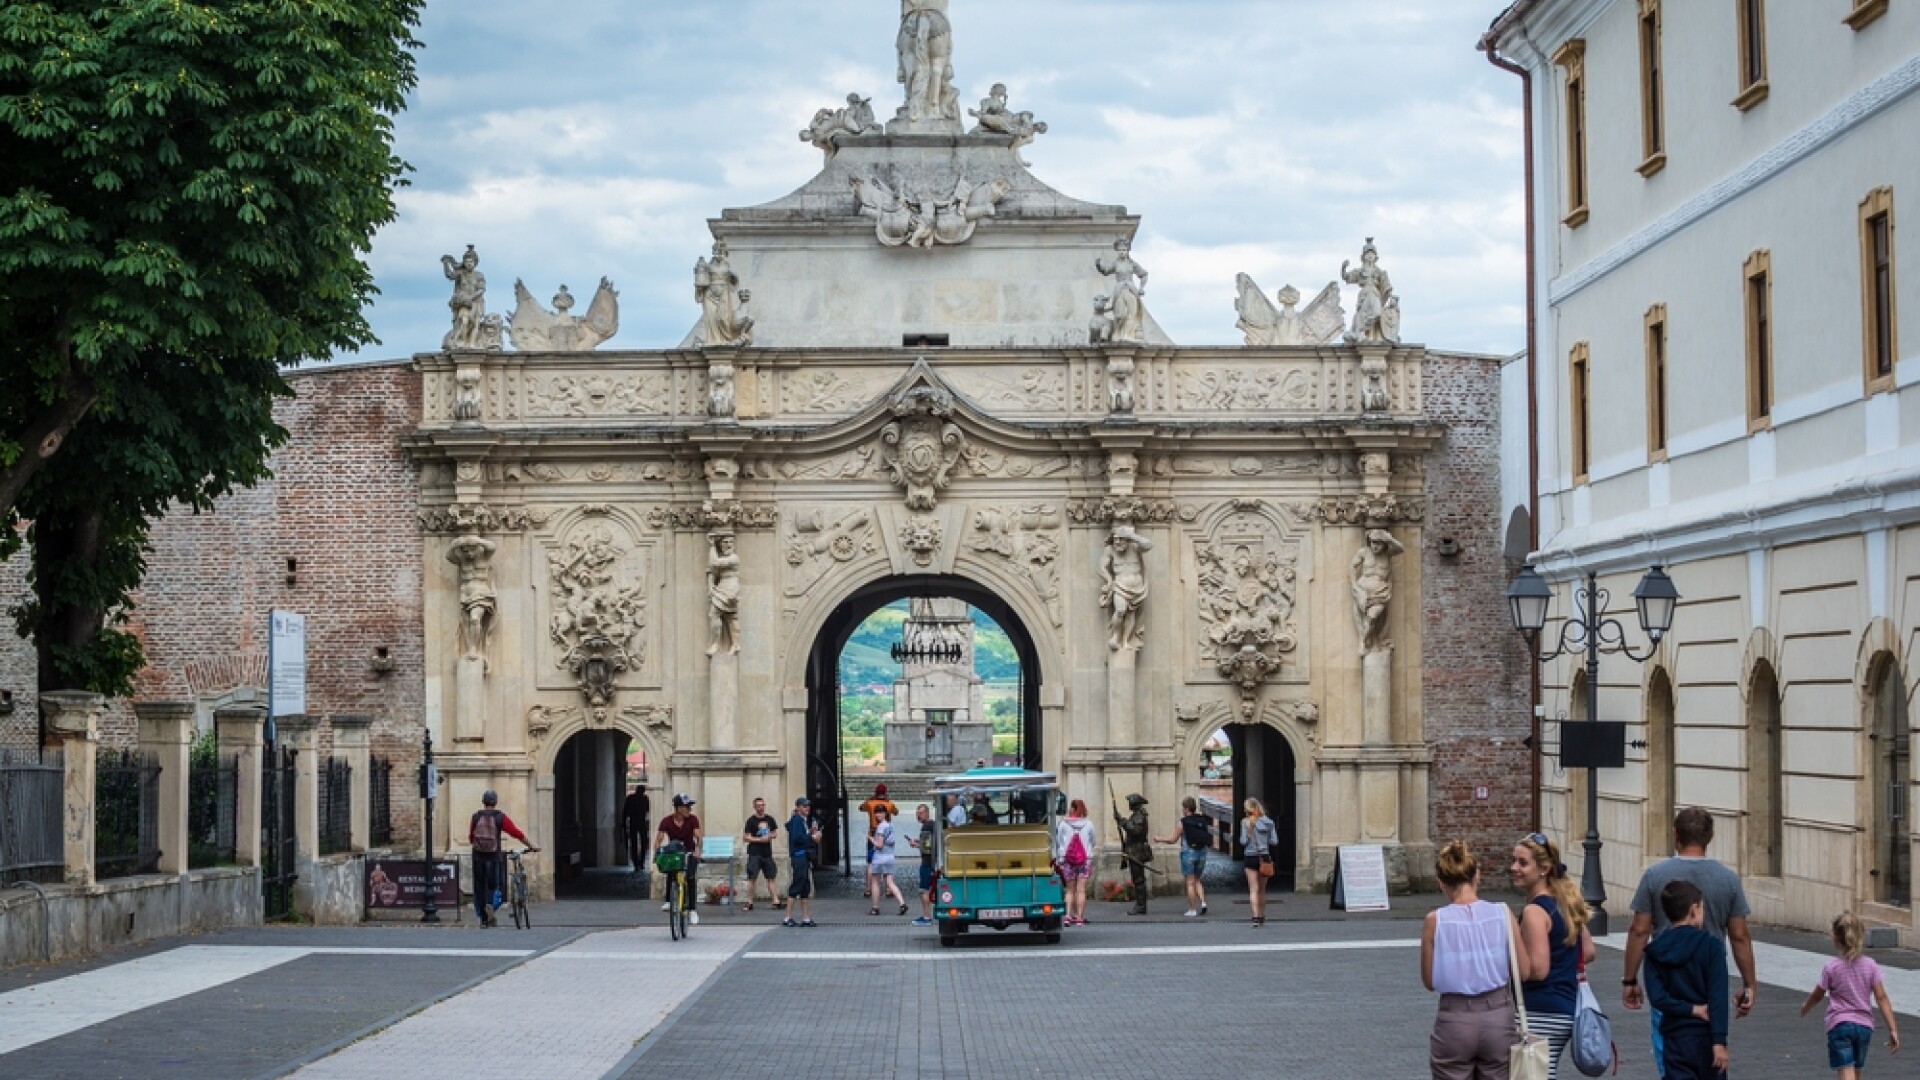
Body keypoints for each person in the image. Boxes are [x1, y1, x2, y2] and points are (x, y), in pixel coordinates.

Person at [1621, 806, 1756, 1073]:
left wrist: (1630, 979)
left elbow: (1639, 930)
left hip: (1670, 979)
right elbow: (1739, 935)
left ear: (1675, 834)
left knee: (1671, 1060)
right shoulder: (1728, 879)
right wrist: (1749, 984)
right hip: (1709, 979)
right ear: (1711, 836)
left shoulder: (1654, 875)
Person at [1421, 840, 1521, 1080]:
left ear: (1441, 883)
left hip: (1454, 1016)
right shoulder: (1503, 912)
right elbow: (1523, 970)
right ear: (1477, 874)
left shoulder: (1435, 920)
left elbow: (1428, 980)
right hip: (1497, 1013)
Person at [1511, 832, 1595, 1079]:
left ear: (1544, 869)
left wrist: (1509, 959)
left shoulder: (1535, 911)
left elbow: (1538, 969)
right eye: (1514, 860)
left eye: (1522, 863)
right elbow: (1588, 951)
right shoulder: (1565, 904)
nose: (1514, 868)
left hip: (1538, 1010)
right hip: (1565, 1008)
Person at [1644, 880, 1730, 1080]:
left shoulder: (1655, 951)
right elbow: (1718, 996)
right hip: (1706, 1036)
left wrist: (1689, 1009)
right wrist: (1719, 1041)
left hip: (1674, 1036)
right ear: (1694, 909)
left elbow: (1658, 998)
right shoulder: (1711, 946)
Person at [1801, 911, 1901, 1079]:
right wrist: (1893, 1029)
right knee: (1856, 1071)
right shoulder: (1870, 966)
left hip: (1840, 1025)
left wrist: (1805, 1007)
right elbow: (1881, 997)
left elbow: (1818, 994)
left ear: (1836, 939)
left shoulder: (1832, 967)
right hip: (1864, 1027)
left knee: (1846, 1070)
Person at [469, 790, 537, 928]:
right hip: (494, 857)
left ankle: (483, 919)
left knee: (479, 887)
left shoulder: (476, 817)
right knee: (495, 885)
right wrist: (531, 845)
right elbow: (515, 832)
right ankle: (491, 906)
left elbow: (471, 837)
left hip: (478, 856)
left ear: (483, 802)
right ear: (495, 802)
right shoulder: (500, 817)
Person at [1158, 796, 1211, 918]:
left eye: (1183, 807)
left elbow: (1173, 840)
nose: (1182, 810)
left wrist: (1160, 839)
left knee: (1190, 882)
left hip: (1189, 853)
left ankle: (1192, 909)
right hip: (1202, 852)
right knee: (1198, 880)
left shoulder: (1182, 822)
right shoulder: (1201, 820)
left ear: (1186, 808)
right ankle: (1203, 903)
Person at [655, 793, 703, 926]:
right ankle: (669, 901)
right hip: (674, 852)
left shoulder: (693, 820)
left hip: (689, 852)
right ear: (678, 808)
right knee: (671, 871)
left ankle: (692, 909)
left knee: (691, 877)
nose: (690, 809)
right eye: (687, 807)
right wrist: (658, 852)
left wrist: (698, 850)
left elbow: (698, 837)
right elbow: (659, 839)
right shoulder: (667, 821)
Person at [1054, 798, 1097, 927]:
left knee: (1069, 890)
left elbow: (1058, 841)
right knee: (1081, 889)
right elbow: (1093, 841)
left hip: (1067, 860)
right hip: (1084, 861)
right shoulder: (1089, 824)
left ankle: (1067, 916)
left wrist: (1060, 858)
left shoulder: (1063, 824)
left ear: (1070, 809)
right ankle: (1079, 917)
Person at [1239, 797, 1279, 927]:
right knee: (1262, 890)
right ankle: (1261, 915)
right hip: (1265, 857)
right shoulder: (1269, 822)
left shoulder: (1245, 822)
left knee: (1253, 889)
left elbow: (1243, 841)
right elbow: (1274, 841)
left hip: (1250, 857)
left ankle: (1255, 916)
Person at [783, 796, 820, 928]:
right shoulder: (797, 820)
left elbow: (801, 836)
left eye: (808, 806)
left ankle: (805, 917)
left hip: (803, 857)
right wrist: (812, 837)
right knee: (797, 885)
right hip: (799, 856)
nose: (807, 808)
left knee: (805, 887)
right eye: (804, 806)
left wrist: (810, 832)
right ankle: (787, 917)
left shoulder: (801, 821)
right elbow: (797, 838)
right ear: (798, 808)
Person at [741, 796, 782, 912]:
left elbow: (774, 833)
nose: (761, 808)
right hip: (754, 853)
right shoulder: (751, 821)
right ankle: (749, 902)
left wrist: (770, 836)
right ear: (754, 807)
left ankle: (776, 900)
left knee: (771, 877)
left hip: (767, 853)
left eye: (762, 805)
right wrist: (759, 840)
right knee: (752, 878)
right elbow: (745, 837)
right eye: (758, 806)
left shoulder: (770, 819)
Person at [1114, 793, 1151, 915]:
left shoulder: (1139, 816)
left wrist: (1123, 821)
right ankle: (1140, 905)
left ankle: (1141, 906)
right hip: (1134, 849)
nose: (1129, 804)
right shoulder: (1137, 815)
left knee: (1139, 879)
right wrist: (1120, 820)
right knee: (1137, 879)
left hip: (1137, 850)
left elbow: (1135, 830)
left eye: (1130, 802)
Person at [867, 806, 908, 916]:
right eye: (877, 813)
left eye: (879, 813)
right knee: (890, 882)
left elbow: (879, 845)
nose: (878, 815)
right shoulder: (891, 826)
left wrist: (871, 839)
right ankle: (902, 903)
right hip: (890, 857)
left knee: (875, 882)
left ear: (885, 813)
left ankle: (875, 908)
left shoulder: (881, 827)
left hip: (880, 857)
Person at [906, 804, 937, 926]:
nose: (918, 815)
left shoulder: (927, 826)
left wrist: (916, 845)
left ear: (928, 813)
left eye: (921, 813)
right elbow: (929, 841)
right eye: (917, 813)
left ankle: (926, 916)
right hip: (931, 862)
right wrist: (919, 841)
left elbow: (927, 847)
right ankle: (927, 915)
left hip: (927, 863)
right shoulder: (932, 825)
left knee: (923, 890)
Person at [622, 783, 651, 873]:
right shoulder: (644, 798)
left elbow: (625, 811)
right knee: (641, 843)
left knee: (635, 843)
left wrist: (623, 822)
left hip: (634, 822)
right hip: (640, 822)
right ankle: (639, 862)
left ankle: (637, 863)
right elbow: (647, 810)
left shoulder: (631, 798)